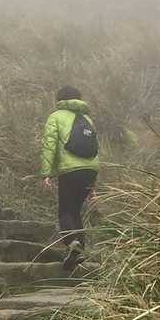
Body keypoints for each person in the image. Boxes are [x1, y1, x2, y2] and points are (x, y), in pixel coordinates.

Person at [40, 85, 99, 273]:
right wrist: (93, 185)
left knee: (66, 210)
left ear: (60, 99)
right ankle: (79, 249)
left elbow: (49, 145)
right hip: (90, 171)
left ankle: (73, 242)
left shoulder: (56, 117)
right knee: (75, 211)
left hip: (69, 170)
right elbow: (94, 149)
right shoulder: (87, 119)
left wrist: (46, 173)